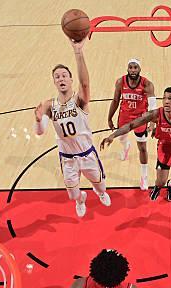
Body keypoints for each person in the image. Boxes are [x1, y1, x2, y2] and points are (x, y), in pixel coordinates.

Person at [34, 38, 111, 218]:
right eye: (57, 76)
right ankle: (81, 199)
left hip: (87, 154)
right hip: (67, 159)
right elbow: (40, 131)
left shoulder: (79, 100)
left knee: (102, 186)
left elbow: (85, 84)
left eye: (64, 75)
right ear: (54, 82)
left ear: (70, 80)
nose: (61, 78)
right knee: (73, 195)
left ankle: (99, 192)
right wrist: (38, 120)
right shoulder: (49, 105)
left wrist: (78, 52)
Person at [101, 87, 171, 202]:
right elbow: (131, 125)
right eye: (164, 98)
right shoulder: (156, 114)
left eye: (170, 99)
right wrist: (113, 135)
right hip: (164, 148)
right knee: (160, 182)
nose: (166, 101)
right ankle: (158, 187)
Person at [107, 58, 157, 190]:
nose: (133, 70)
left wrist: (152, 122)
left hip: (140, 119)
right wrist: (109, 118)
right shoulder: (120, 82)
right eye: (131, 67)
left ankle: (144, 176)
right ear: (127, 69)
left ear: (140, 69)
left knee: (142, 147)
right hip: (124, 116)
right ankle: (126, 147)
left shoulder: (147, 84)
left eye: (135, 67)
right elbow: (115, 100)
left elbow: (153, 105)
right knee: (121, 138)